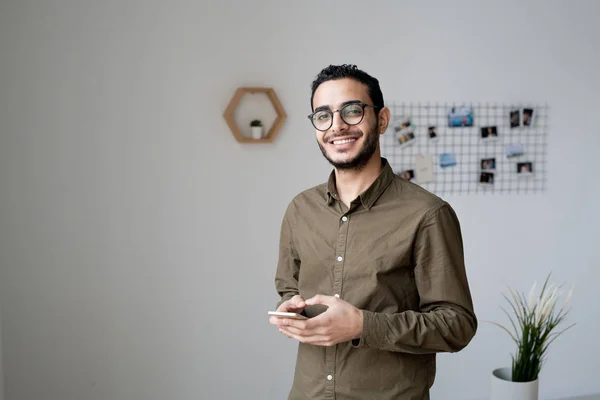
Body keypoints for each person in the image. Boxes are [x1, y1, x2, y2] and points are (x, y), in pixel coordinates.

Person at [269, 64, 477, 400]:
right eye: (323, 116)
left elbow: (457, 325)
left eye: (351, 111)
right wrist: (289, 309)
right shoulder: (299, 209)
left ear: (381, 120)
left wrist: (363, 326)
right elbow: (287, 288)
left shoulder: (427, 214)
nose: (337, 126)